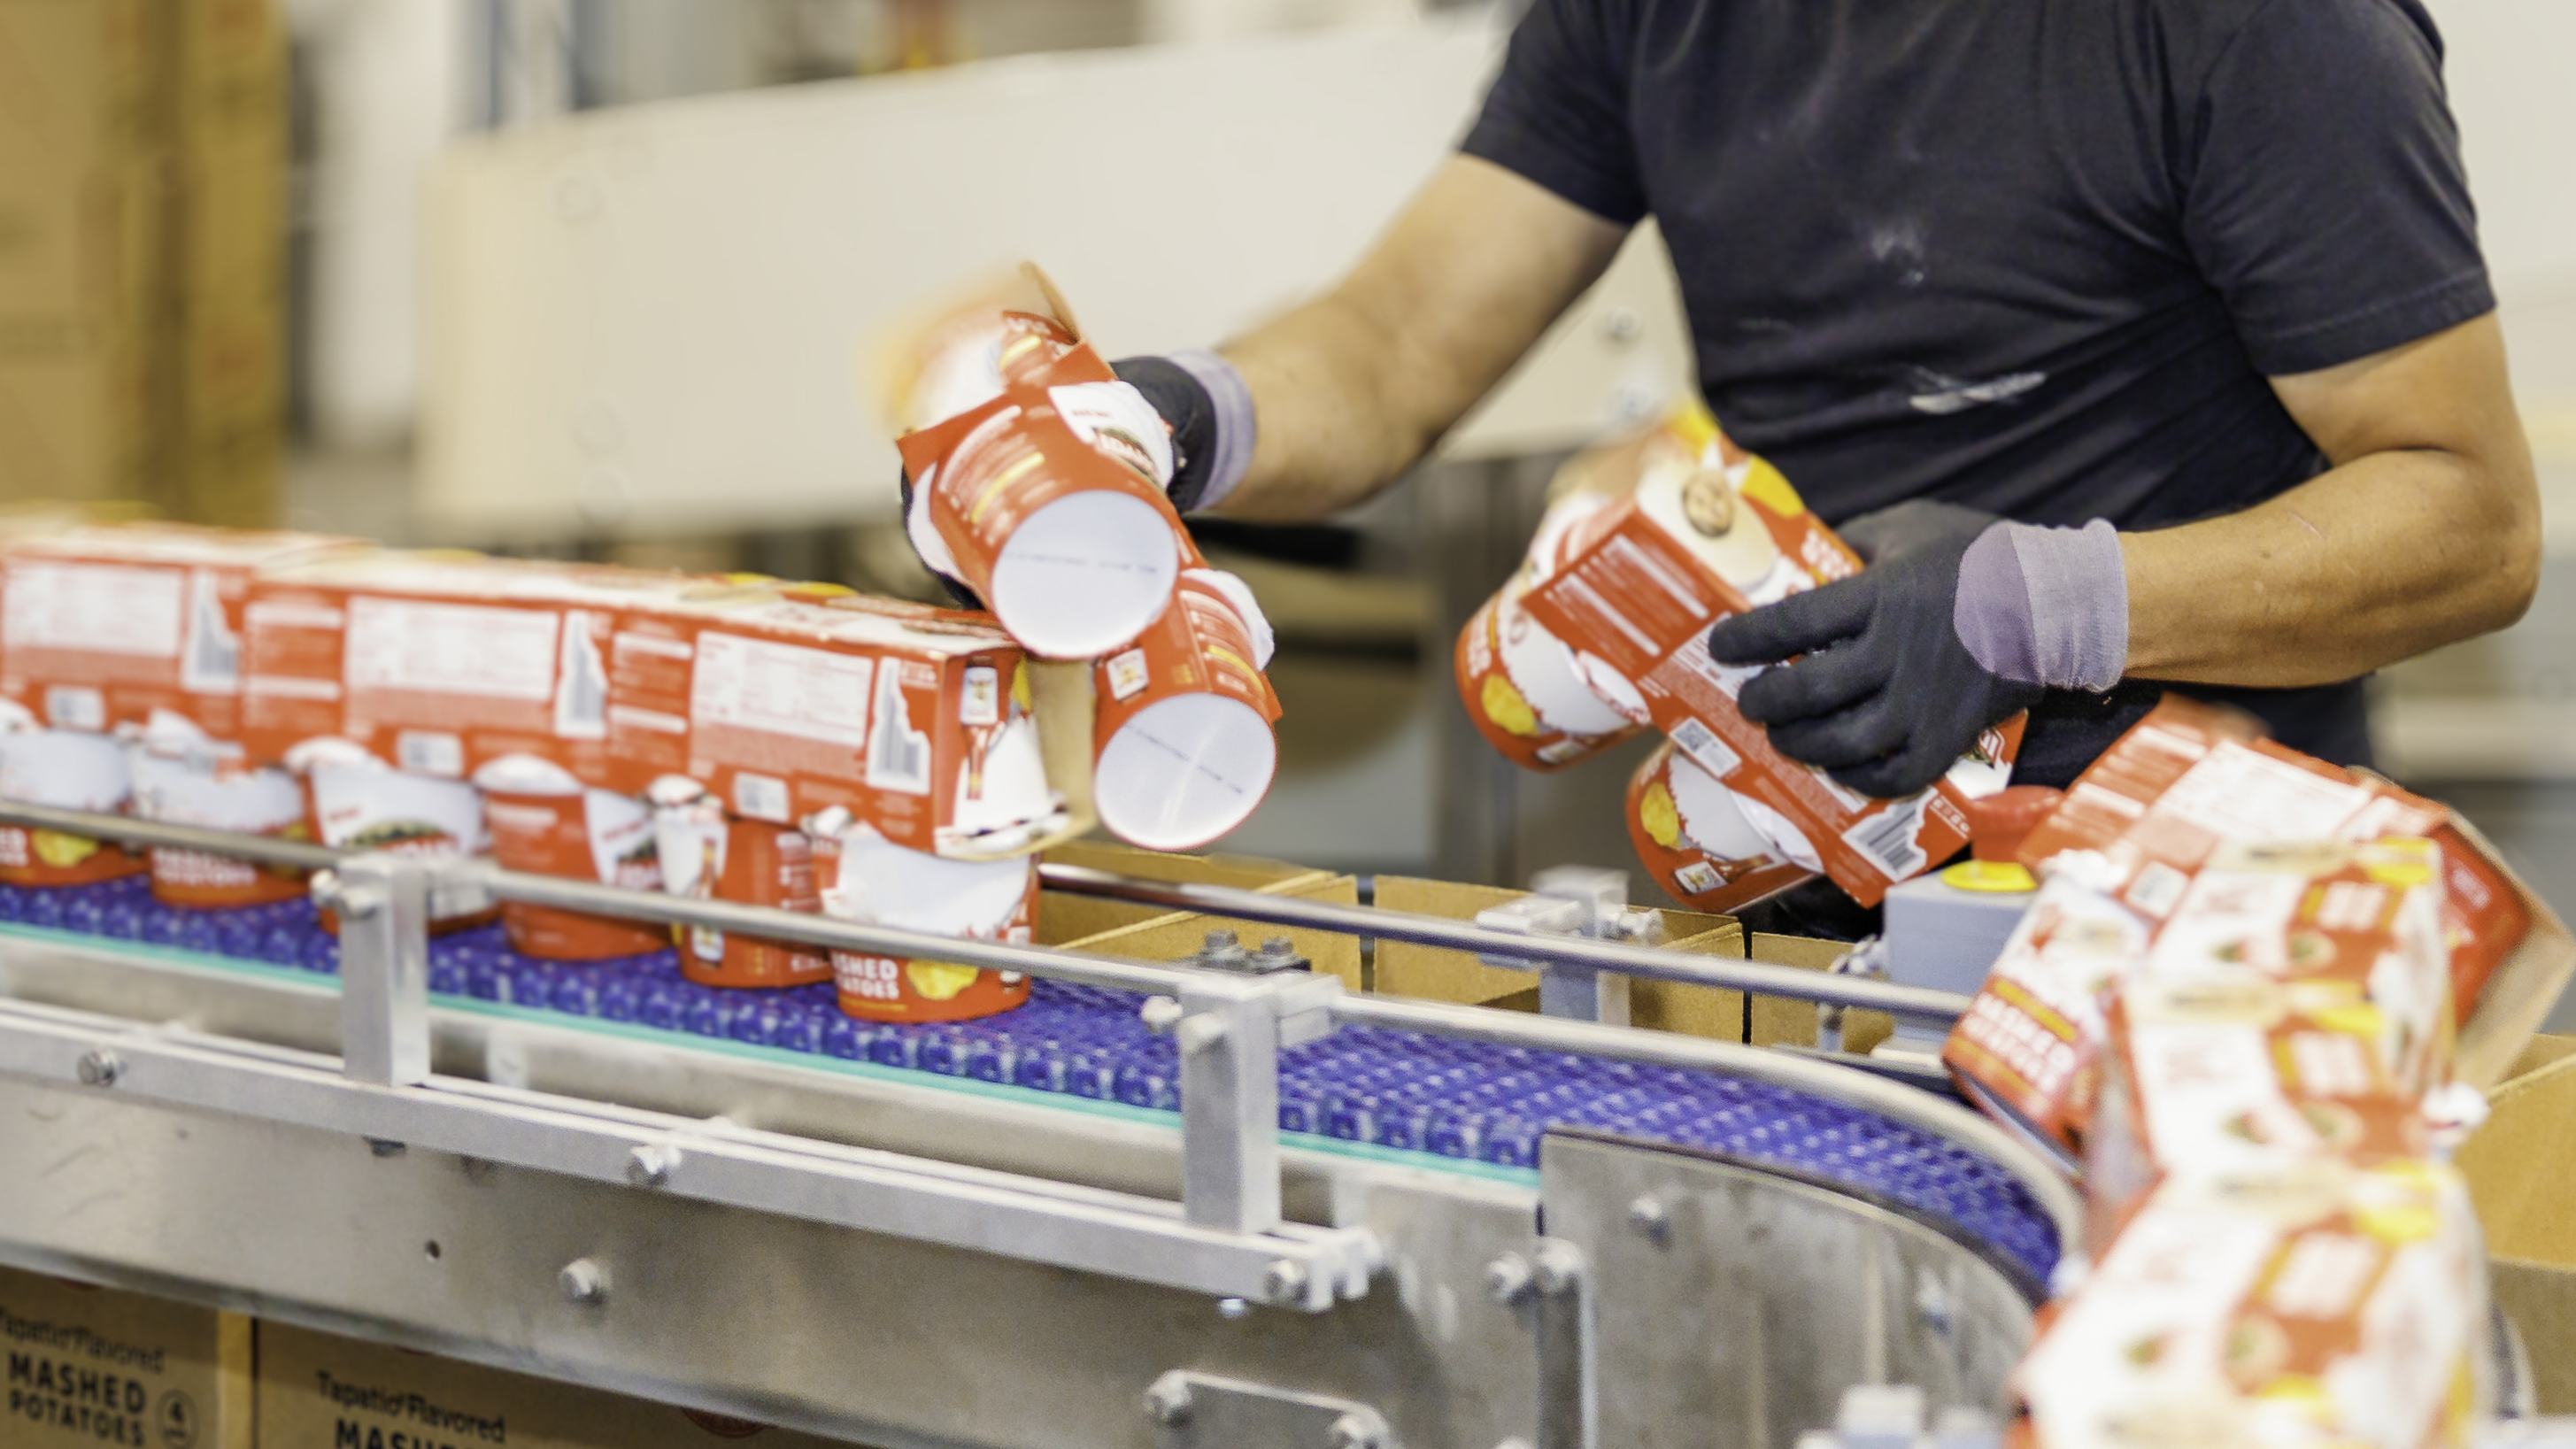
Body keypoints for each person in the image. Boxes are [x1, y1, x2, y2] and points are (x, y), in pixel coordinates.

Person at [922, 0, 2541, 920]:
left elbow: (2464, 518)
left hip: (2187, 903)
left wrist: (2033, 604)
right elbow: (1401, 342)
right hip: (1798, 856)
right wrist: (1171, 421)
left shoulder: (2247, 26)